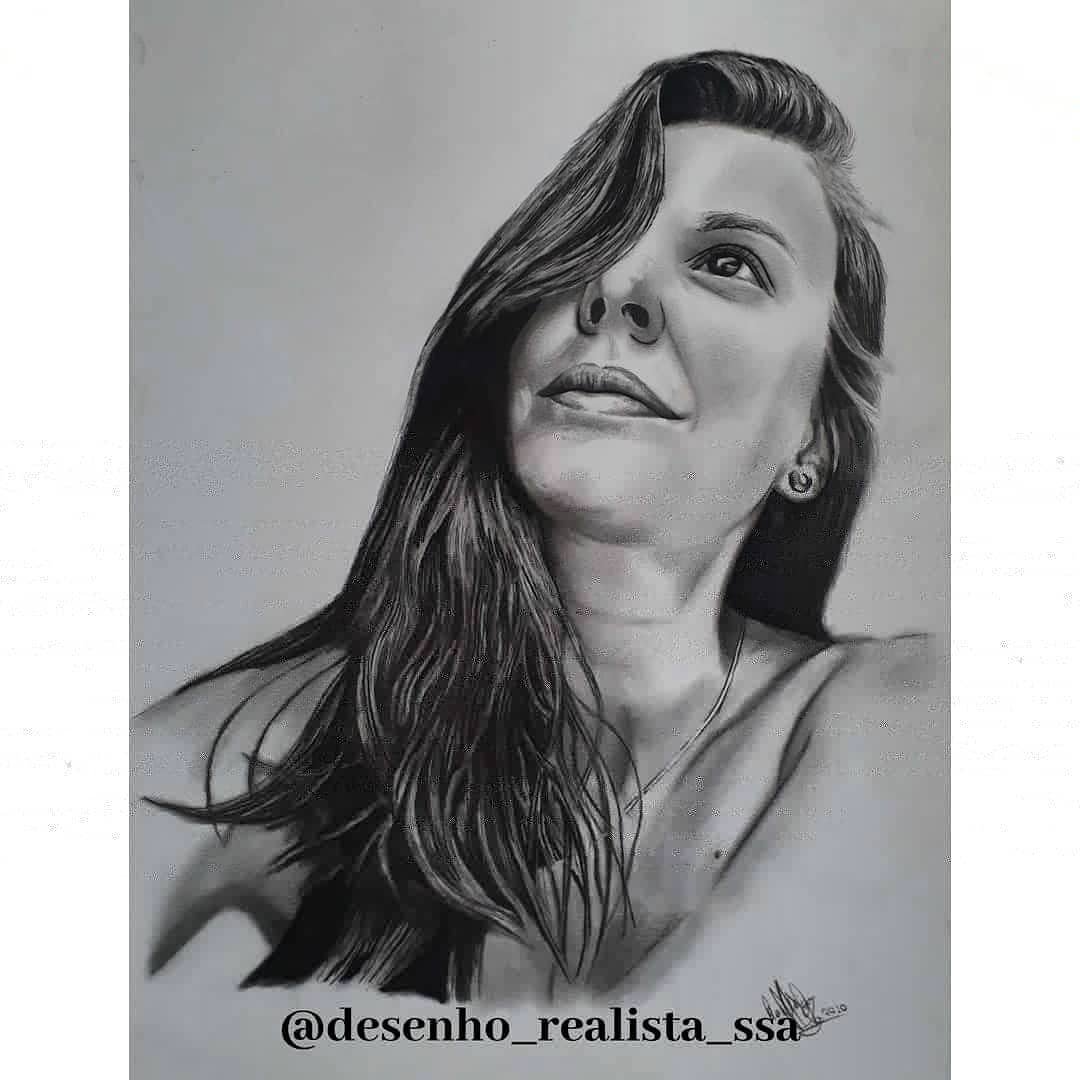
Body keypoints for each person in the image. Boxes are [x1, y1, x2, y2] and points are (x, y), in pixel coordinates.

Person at [135, 49, 945, 1005]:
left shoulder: (898, 706)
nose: (613, 288)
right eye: (594, 237)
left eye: (728, 262)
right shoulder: (263, 739)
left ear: (815, 436)